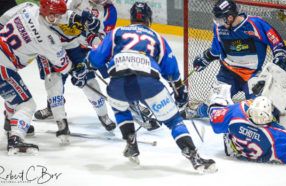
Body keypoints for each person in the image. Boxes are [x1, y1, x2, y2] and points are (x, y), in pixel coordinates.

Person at [88, 2, 217, 173]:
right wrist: (179, 92)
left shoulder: (116, 33)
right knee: (174, 121)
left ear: (132, 17)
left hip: (117, 85)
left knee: (121, 110)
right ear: (149, 19)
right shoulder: (157, 37)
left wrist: (86, 65)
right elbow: (171, 70)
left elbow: (95, 60)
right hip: (148, 85)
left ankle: (131, 143)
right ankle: (194, 157)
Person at [32, 0, 118, 141]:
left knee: (89, 82)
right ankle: (60, 120)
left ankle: (104, 115)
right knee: (54, 81)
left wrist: (94, 42)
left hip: (74, 45)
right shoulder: (72, 3)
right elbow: (59, 15)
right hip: (50, 44)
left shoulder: (109, 10)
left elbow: (99, 35)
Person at [189, 0, 286, 119]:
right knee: (214, 105)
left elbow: (277, 43)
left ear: (230, 17)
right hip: (228, 73)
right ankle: (196, 112)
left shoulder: (255, 24)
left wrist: (280, 56)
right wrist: (205, 57)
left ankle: (281, 110)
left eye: (221, 19)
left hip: (253, 74)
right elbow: (216, 51)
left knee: (260, 108)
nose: (218, 23)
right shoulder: (218, 28)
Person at [0, 0, 76, 154]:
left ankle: (11, 122)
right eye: (57, 16)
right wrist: (76, 69)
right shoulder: (49, 39)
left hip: (4, 60)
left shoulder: (28, 6)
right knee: (27, 105)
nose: (60, 19)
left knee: (14, 96)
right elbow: (64, 66)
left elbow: (3, 20)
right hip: (3, 67)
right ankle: (16, 138)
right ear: (48, 15)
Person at [207, 93, 286, 165]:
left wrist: (216, 102)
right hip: (260, 158)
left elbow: (215, 120)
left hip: (233, 151)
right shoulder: (277, 136)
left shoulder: (237, 112)